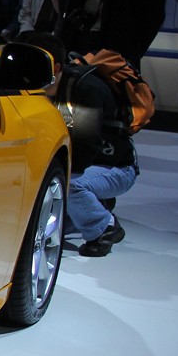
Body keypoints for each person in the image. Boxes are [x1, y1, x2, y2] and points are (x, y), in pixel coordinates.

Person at [24, 32, 136, 257]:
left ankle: (105, 227)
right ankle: (94, 205)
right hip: (82, 164)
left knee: (70, 184)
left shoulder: (86, 90)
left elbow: (85, 150)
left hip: (114, 168)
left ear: (54, 67)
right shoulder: (36, 91)